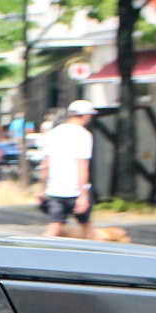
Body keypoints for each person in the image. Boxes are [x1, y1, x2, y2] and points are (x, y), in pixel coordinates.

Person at [39, 100, 98, 238]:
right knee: (87, 227)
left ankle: (36, 252)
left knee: (54, 227)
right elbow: (82, 166)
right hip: (74, 191)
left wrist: (42, 189)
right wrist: (83, 195)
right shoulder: (84, 135)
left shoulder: (53, 133)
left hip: (54, 191)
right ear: (86, 116)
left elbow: (45, 164)